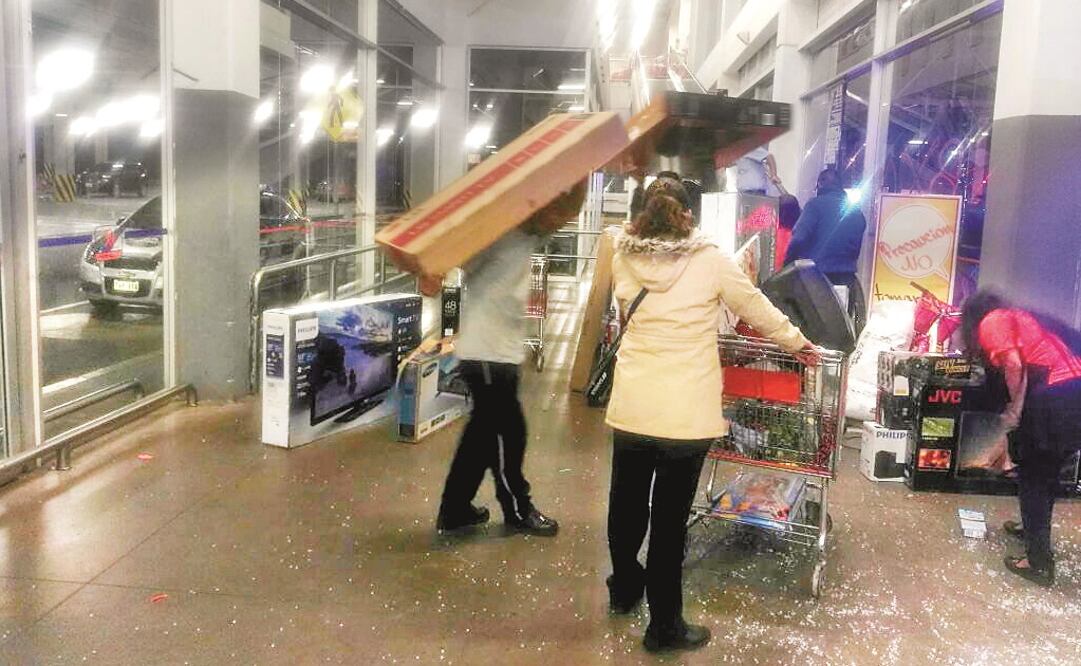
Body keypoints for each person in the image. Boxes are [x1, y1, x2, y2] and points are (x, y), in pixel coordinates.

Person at [605, 180, 816, 652]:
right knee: (669, 520)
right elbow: (754, 307)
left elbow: (623, 312)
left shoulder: (622, 257)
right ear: (690, 214)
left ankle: (624, 588)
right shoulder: (711, 260)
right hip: (685, 412)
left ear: (643, 213)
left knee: (626, 504)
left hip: (634, 404)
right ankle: (664, 626)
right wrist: (797, 343)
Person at [434, 182, 586, 537]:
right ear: (538, 206)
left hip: (501, 352)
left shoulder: (529, 237)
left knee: (481, 436)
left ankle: (454, 509)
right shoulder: (497, 234)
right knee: (507, 435)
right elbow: (455, 259)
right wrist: (432, 270)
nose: (560, 222)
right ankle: (518, 509)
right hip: (486, 352)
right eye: (557, 214)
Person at [961, 291, 1081, 586]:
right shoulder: (1023, 318)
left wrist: (1015, 408)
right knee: (1047, 475)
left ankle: (1038, 564)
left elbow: (1014, 364)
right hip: (1073, 394)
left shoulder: (993, 321)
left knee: (1034, 480)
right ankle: (1031, 530)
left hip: (1054, 400)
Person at [784, 168, 867, 332]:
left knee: (813, 328)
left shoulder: (815, 205)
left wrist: (787, 264)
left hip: (816, 278)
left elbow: (799, 238)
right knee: (840, 327)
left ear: (820, 184)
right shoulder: (856, 212)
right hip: (846, 279)